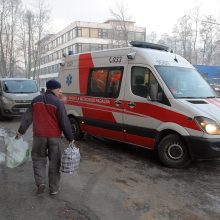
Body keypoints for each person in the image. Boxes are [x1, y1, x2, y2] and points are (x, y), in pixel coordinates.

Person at [16, 79, 74, 195]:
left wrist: (20, 131)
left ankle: (40, 182)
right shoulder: (58, 103)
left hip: (39, 137)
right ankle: (54, 189)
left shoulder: (36, 100)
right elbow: (64, 121)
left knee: (38, 159)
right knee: (55, 163)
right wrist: (70, 137)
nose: (60, 92)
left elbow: (27, 117)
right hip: (54, 138)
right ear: (54, 89)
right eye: (59, 89)